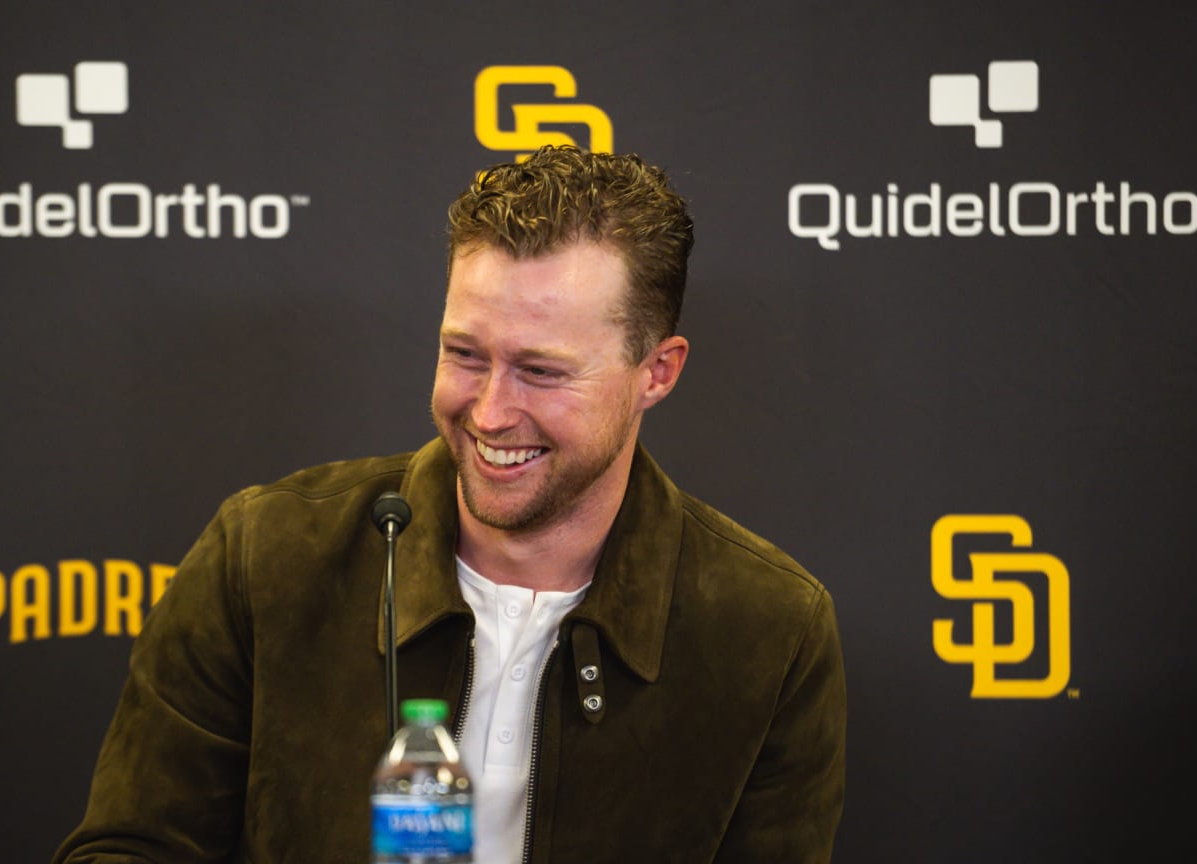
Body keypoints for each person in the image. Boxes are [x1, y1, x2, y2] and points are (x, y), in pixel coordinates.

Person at [55, 146, 846, 863]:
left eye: (542, 371)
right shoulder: (264, 554)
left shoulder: (769, 627)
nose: (491, 412)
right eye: (464, 354)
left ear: (657, 372)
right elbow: (129, 849)